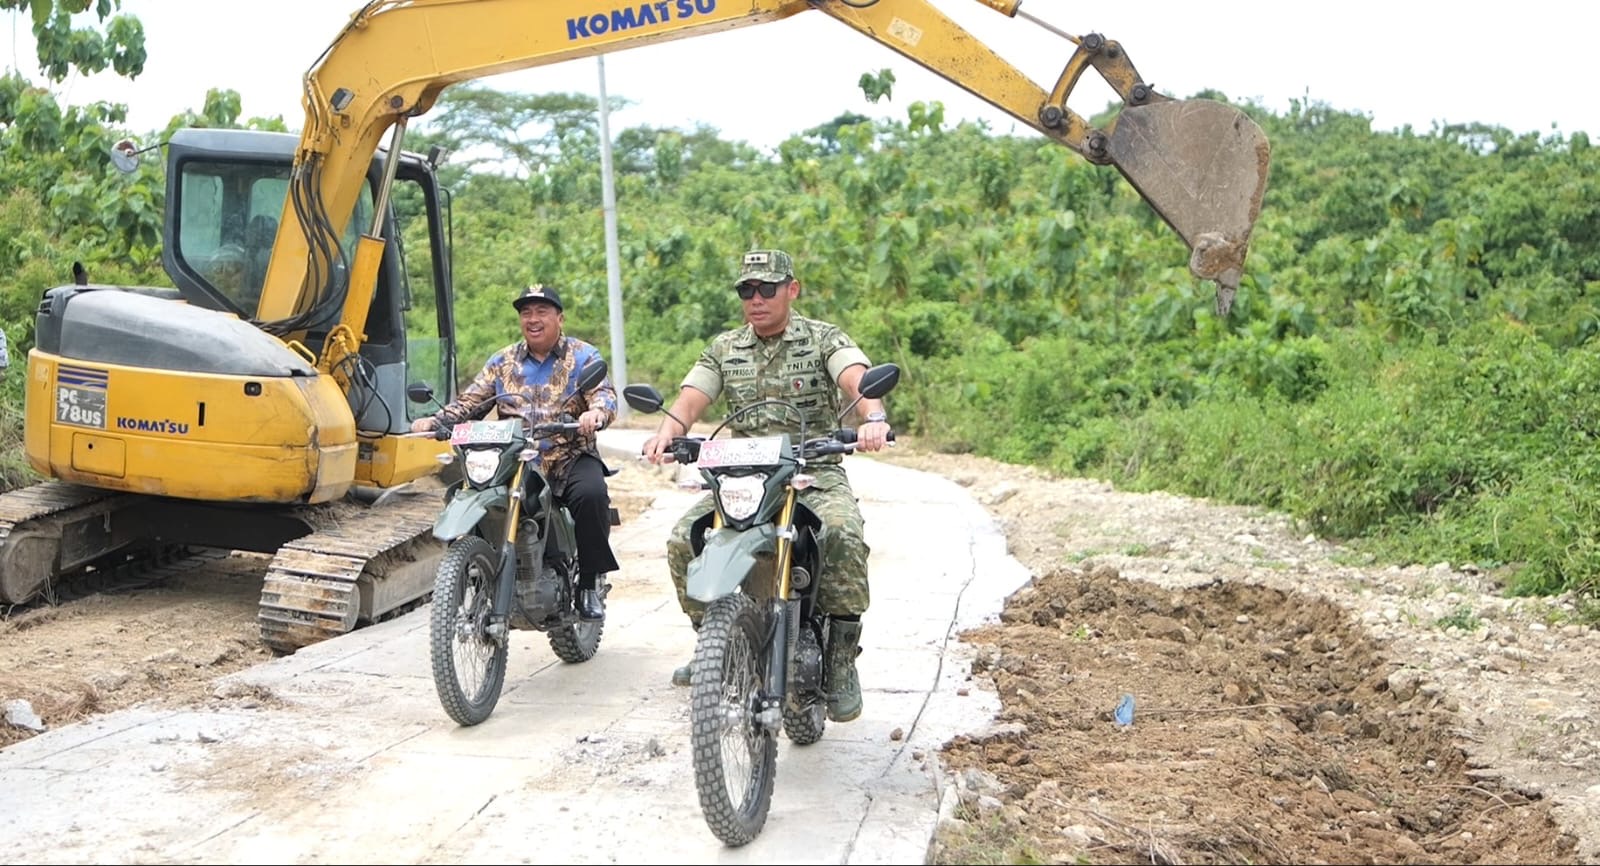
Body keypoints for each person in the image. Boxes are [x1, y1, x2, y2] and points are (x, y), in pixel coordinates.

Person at [642, 249, 891, 723]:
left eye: (767, 289)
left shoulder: (822, 338)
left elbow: (856, 380)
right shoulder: (725, 347)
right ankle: (713, 646)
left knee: (842, 534)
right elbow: (691, 399)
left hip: (812, 469)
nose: (756, 299)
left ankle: (841, 662)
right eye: (747, 290)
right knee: (682, 540)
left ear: (791, 290)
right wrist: (666, 433)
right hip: (743, 477)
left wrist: (873, 418)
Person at [411, 283, 620, 621]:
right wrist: (437, 421)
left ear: (560, 318)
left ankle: (588, 584)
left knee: (592, 494)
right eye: (526, 313)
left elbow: (604, 395)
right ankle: (474, 576)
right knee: (466, 493)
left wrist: (595, 414)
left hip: (567, 457)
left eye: (542, 312)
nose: (533, 319)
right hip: (511, 460)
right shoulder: (502, 361)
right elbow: (470, 402)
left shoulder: (583, 356)